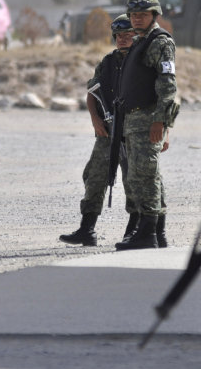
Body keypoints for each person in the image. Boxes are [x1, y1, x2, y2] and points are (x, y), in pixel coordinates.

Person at [59, 14, 137, 247]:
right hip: (108, 131)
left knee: (134, 180)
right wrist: (95, 119)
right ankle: (87, 229)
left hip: (133, 132)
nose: (122, 39)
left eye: (128, 35)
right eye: (118, 36)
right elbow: (92, 93)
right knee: (94, 176)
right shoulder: (108, 62)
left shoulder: (143, 62)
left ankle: (134, 230)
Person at [114, 0, 178, 251]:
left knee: (146, 175)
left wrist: (161, 122)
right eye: (134, 14)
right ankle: (156, 232)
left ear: (154, 14)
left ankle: (148, 231)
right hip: (134, 118)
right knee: (142, 175)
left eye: (143, 14)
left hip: (148, 118)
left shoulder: (160, 42)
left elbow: (168, 85)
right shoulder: (140, 42)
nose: (137, 18)